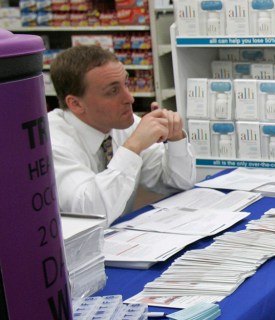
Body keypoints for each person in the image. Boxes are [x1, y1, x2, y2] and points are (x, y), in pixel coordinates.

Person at [48, 45, 196, 224]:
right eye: (113, 91)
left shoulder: (122, 123)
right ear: (76, 104)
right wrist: (132, 147)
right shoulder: (52, 142)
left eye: (126, 84)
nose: (129, 98)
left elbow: (178, 183)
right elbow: (92, 214)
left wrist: (175, 138)